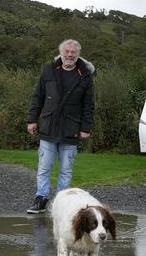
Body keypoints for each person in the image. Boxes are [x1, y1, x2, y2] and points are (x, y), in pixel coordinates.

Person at [25, 39, 94, 213]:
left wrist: (86, 128)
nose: (70, 55)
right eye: (67, 51)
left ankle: (62, 204)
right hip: (48, 126)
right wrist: (32, 119)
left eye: (73, 52)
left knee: (65, 170)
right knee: (44, 168)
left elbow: (88, 105)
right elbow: (37, 97)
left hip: (71, 129)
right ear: (61, 52)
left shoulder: (84, 75)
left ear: (78, 55)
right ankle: (40, 199)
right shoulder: (48, 70)